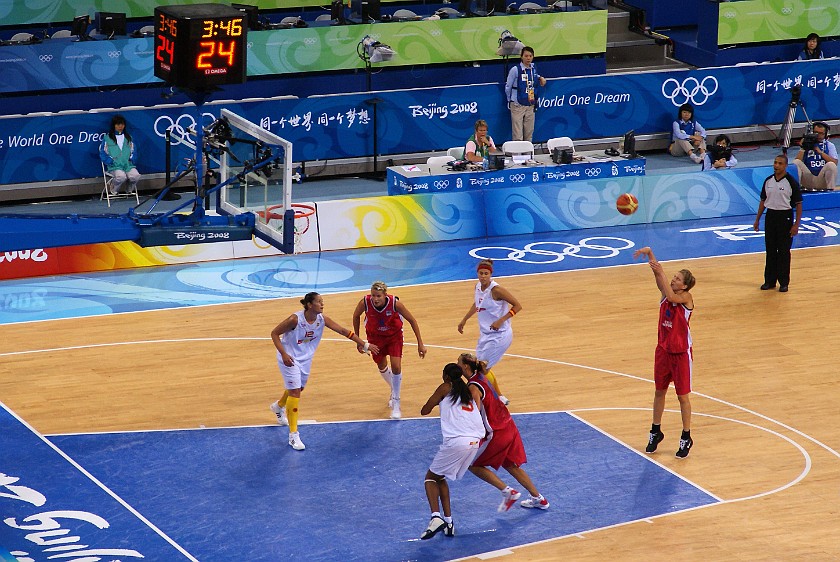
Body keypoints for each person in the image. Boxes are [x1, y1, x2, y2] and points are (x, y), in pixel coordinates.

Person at [269, 292, 379, 451]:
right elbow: (274, 333)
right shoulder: (295, 320)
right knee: (295, 393)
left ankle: (278, 407)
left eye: (322, 301)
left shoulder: (322, 320)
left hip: (305, 359)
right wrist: (284, 353)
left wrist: (364, 344)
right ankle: (293, 435)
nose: (322, 304)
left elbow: (343, 330)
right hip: (289, 358)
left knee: (298, 389)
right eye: (319, 302)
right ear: (309, 305)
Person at [458, 353, 549, 511]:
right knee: (511, 465)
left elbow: (475, 413)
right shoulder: (482, 376)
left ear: (465, 366)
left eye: (458, 362)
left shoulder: (473, 387)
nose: (457, 364)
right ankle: (539, 499)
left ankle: (508, 492)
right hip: (509, 426)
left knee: (471, 464)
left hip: (496, 432)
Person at [632, 247, 697, 459]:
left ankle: (686, 436)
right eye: (674, 277)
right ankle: (655, 431)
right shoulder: (665, 295)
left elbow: (668, 290)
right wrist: (650, 255)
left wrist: (660, 272)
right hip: (663, 352)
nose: (673, 280)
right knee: (659, 392)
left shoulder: (686, 298)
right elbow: (659, 278)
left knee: (682, 397)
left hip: (681, 355)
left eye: (677, 279)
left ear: (684, 285)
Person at [419, 363, 488, 540]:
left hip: (458, 441)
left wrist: (439, 402)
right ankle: (449, 523)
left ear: (447, 377)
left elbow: (424, 410)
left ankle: (435, 518)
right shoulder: (466, 390)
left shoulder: (446, 387)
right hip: (474, 442)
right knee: (440, 477)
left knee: (430, 478)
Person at [352, 280, 427, 420]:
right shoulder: (365, 302)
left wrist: (420, 344)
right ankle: (394, 388)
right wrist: (358, 340)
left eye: (378, 296)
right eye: (373, 295)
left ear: (385, 295)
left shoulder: (395, 303)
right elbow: (356, 316)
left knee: (396, 366)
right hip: (375, 337)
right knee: (381, 365)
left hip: (394, 336)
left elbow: (412, 320)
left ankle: (396, 402)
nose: (375, 298)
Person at [457, 259, 522, 405]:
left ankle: (492, 397)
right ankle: (496, 396)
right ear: (477, 274)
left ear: (491, 274)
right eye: (481, 273)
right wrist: (464, 319)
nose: (483, 276)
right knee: (481, 369)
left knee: (480, 368)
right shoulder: (478, 287)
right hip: (486, 334)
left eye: (486, 273)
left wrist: (502, 320)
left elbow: (518, 306)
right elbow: (477, 304)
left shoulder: (497, 290)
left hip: (500, 335)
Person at [753, 154, 803, 292]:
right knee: (770, 250)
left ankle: (784, 282)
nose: (776, 165)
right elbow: (763, 201)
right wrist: (757, 219)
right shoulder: (768, 181)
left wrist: (796, 224)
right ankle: (769, 281)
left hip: (785, 217)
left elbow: (798, 204)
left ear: (785, 165)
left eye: (780, 163)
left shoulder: (791, 182)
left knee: (783, 251)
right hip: (771, 216)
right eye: (775, 162)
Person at [505, 46, 547, 142]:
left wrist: (540, 78)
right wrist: (509, 100)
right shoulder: (515, 70)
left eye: (530, 56)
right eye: (526, 56)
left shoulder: (533, 68)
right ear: (521, 57)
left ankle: (528, 155)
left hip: (530, 104)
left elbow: (535, 76)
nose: (528, 58)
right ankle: (518, 156)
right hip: (517, 104)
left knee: (529, 133)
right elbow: (508, 87)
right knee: (518, 135)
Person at [99, 114, 141, 195]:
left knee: (136, 176)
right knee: (121, 177)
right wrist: (110, 161)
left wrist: (132, 160)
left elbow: (134, 151)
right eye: (118, 124)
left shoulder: (129, 138)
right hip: (114, 166)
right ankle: (114, 189)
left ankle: (129, 189)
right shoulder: (107, 138)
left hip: (127, 165)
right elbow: (102, 152)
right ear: (114, 125)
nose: (120, 126)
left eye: (122, 124)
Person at [793, 122, 837, 191]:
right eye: (816, 132)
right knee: (796, 162)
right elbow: (797, 162)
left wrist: (820, 152)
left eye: (821, 133)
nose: (818, 135)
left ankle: (830, 191)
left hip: (822, 179)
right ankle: (796, 192)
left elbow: (835, 162)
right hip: (808, 178)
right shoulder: (807, 143)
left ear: (825, 134)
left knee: (831, 165)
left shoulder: (829, 145)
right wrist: (803, 148)